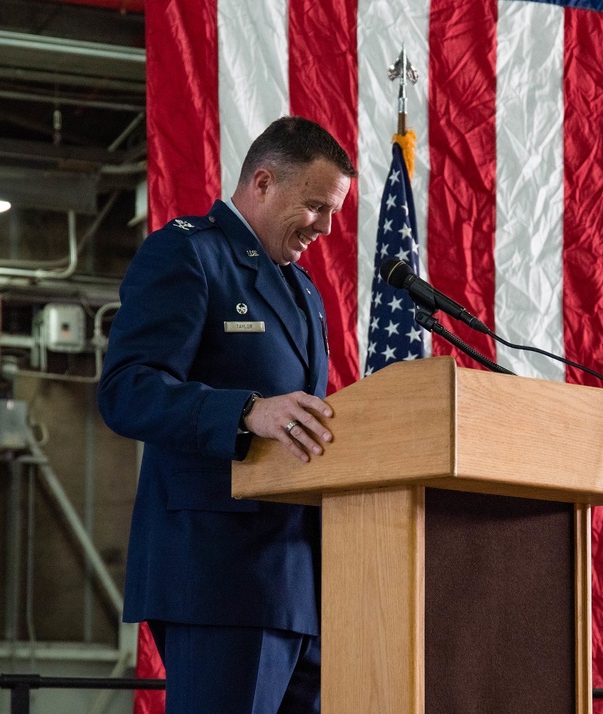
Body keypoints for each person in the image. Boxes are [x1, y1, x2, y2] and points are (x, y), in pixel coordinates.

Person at [98, 116, 356, 713]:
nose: (325, 226)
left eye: (334, 211)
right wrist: (245, 413)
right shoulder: (187, 254)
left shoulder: (303, 290)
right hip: (219, 575)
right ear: (263, 182)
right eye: (316, 206)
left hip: (299, 580)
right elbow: (127, 389)